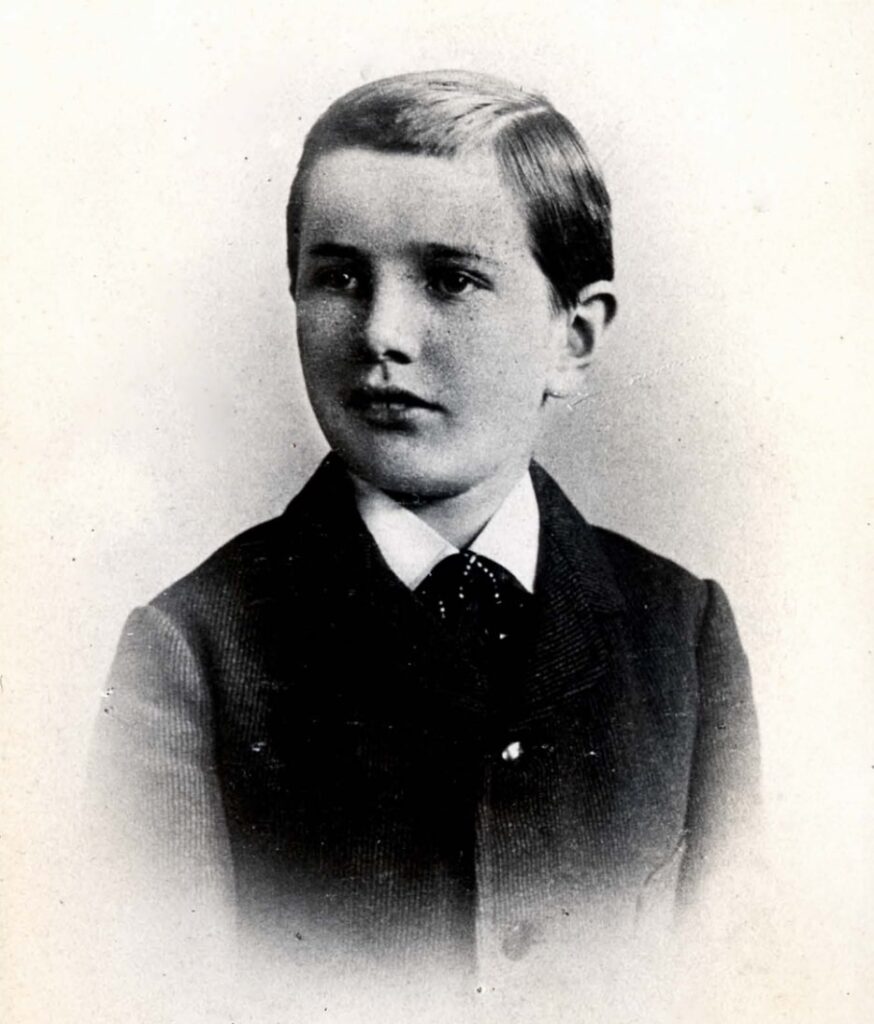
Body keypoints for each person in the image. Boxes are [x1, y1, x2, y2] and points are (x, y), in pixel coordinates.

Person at [92, 70, 759, 992]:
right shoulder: (192, 655)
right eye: (339, 277)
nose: (382, 334)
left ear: (573, 339)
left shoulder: (681, 632)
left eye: (451, 280)